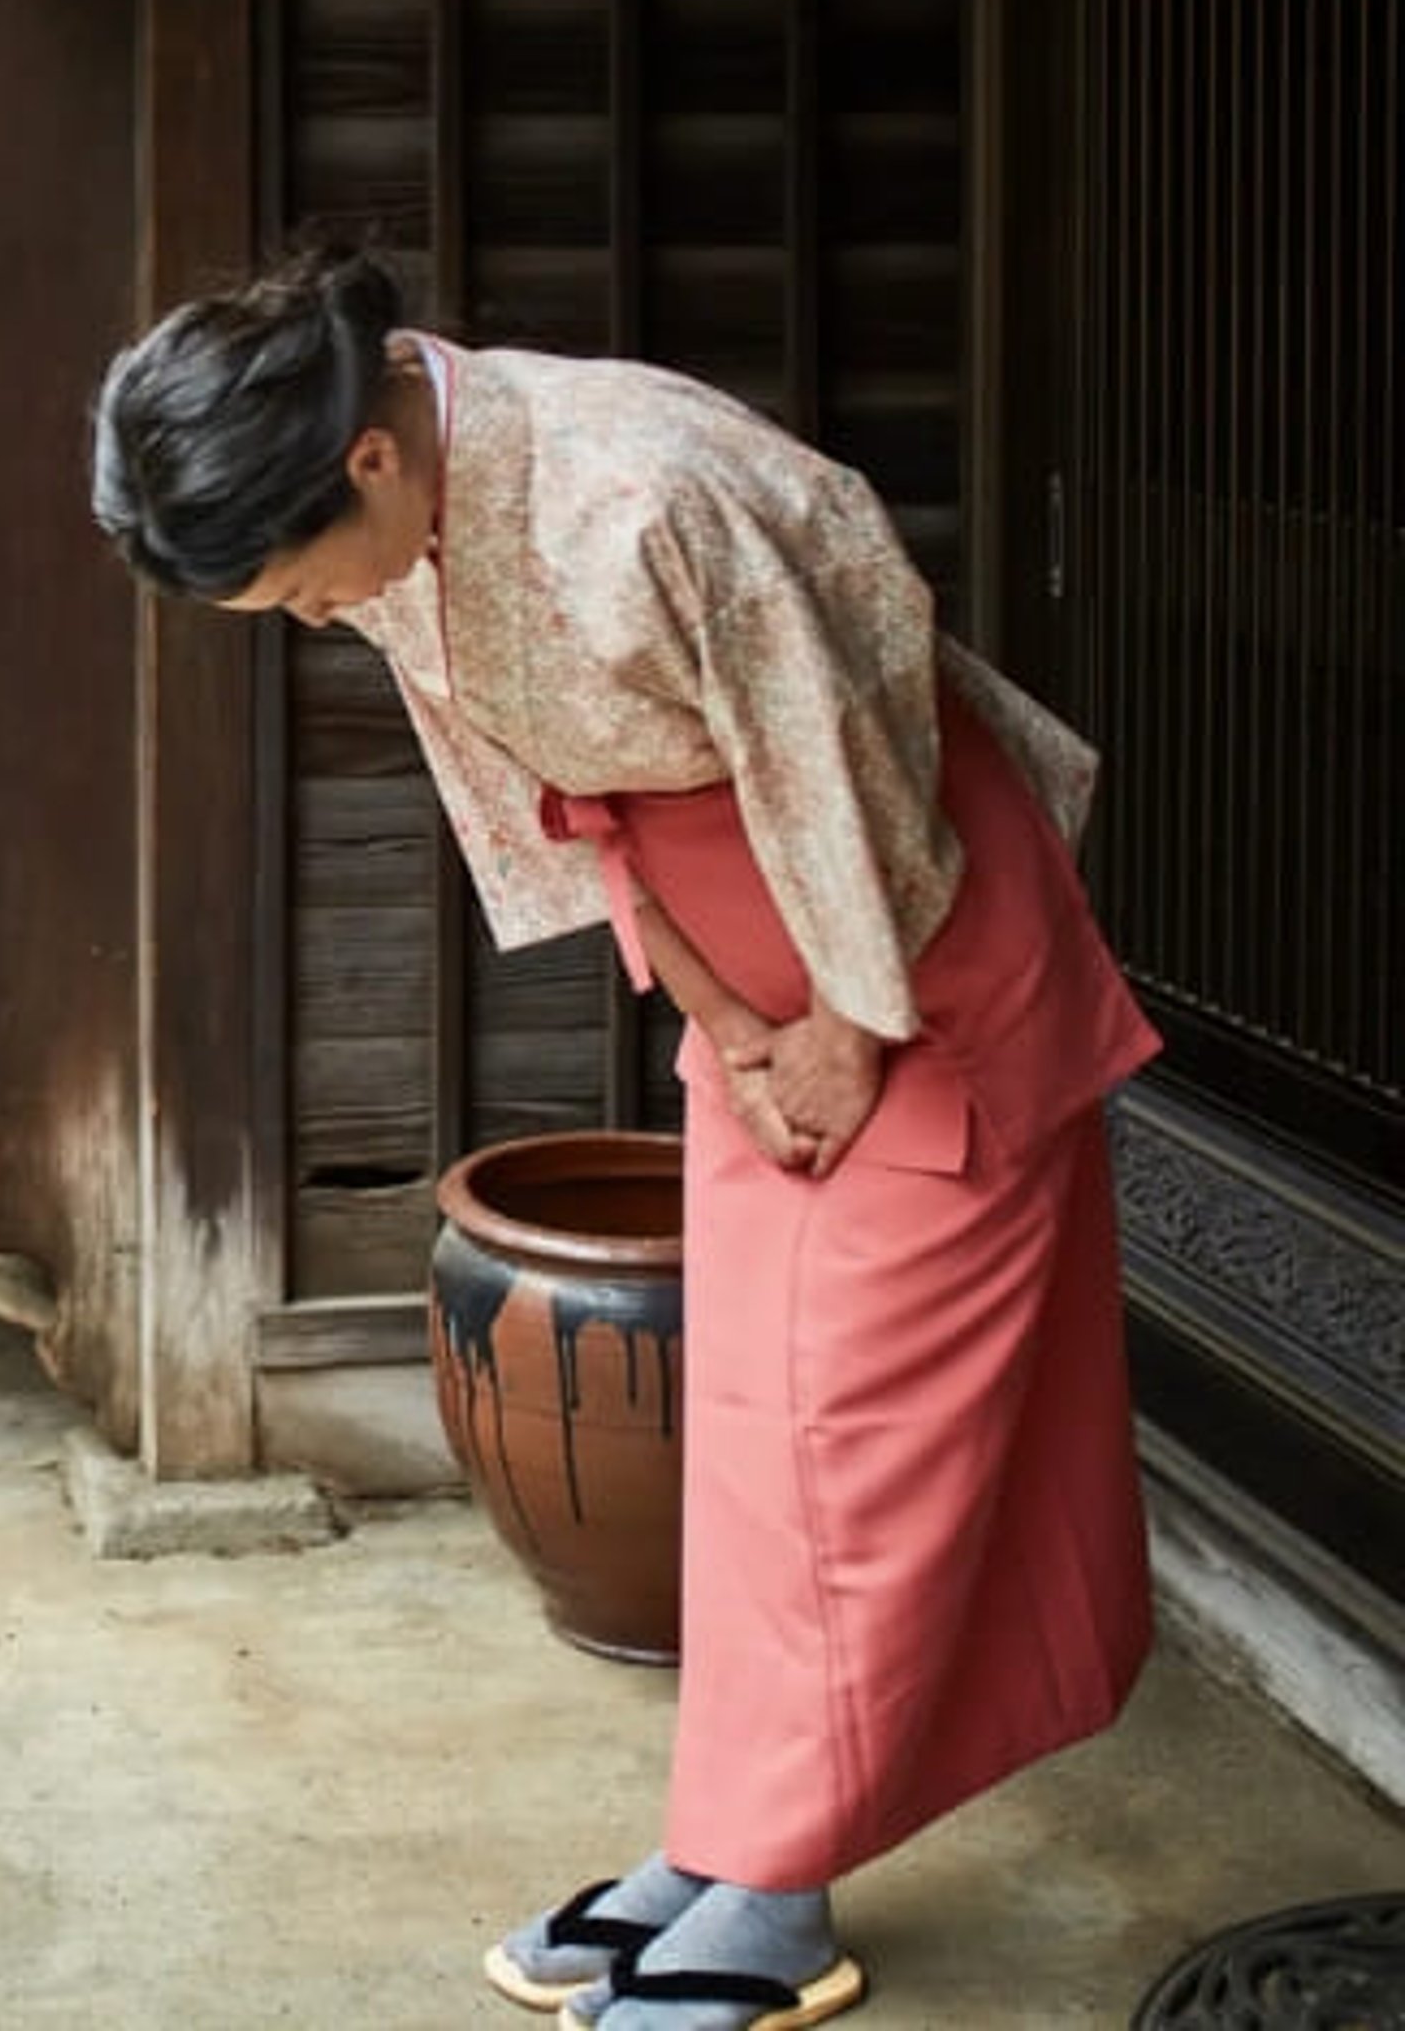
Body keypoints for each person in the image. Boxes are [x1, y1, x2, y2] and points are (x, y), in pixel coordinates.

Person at [90, 241, 1160, 2031]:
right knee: (748, 1415)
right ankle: (727, 1838)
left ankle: (780, 1892)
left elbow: (853, 765)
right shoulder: (407, 507)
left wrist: (846, 1020)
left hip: (914, 946)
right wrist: (728, 1028)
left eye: (292, 589)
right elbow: (554, 798)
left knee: (855, 1436)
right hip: (753, 978)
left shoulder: (634, 494)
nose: (307, 618)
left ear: (365, 456)